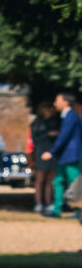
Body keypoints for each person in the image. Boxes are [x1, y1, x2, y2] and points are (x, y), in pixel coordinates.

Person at [51, 91, 82, 219]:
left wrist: (52, 151)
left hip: (72, 155)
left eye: (57, 101)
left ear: (65, 102)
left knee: (74, 184)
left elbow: (64, 136)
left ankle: (78, 212)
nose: (55, 104)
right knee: (58, 181)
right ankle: (56, 209)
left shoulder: (71, 116)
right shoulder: (66, 116)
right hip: (65, 156)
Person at [30, 100, 62, 215]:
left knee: (50, 180)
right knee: (40, 179)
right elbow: (34, 139)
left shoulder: (56, 122)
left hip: (53, 152)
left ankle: (49, 203)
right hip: (41, 152)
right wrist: (48, 134)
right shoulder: (37, 122)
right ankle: (39, 203)